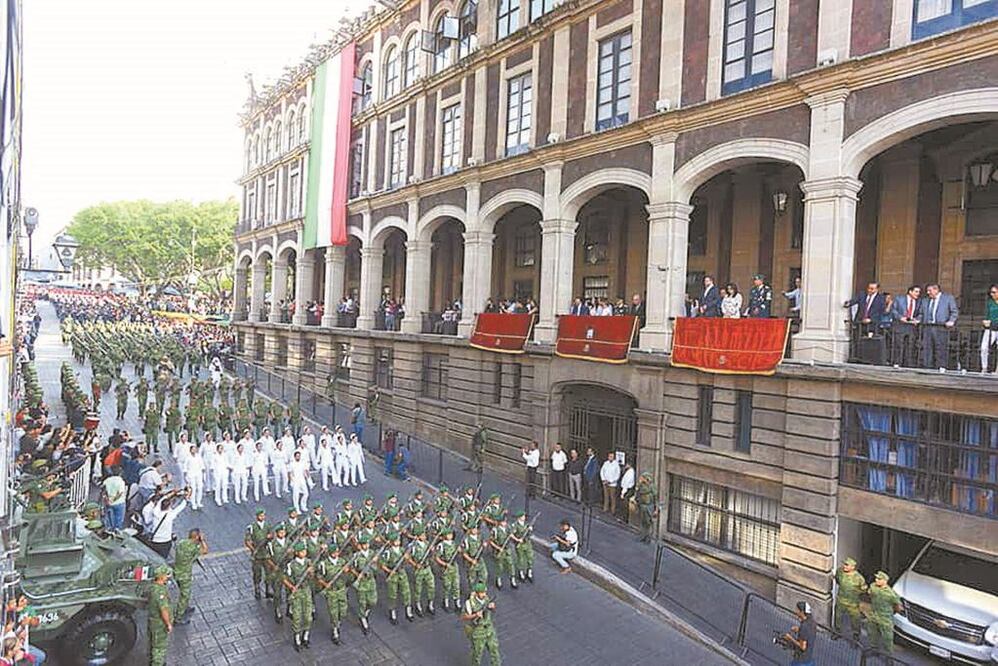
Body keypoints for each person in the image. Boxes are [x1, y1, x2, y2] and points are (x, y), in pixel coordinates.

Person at [920, 283, 958, 371]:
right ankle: (927, 366)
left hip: (941, 326)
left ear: (936, 290)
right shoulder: (925, 300)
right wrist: (918, 320)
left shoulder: (948, 298)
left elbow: (954, 311)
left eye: (930, 290)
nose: (928, 292)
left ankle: (941, 366)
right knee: (927, 347)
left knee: (941, 347)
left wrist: (951, 321)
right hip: (928, 326)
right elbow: (921, 314)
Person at [173, 528, 208, 625]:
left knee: (183, 592)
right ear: (197, 536)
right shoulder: (193, 548)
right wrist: (202, 541)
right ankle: (178, 618)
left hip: (177, 572)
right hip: (184, 575)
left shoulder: (181, 543)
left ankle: (185, 607)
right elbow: (205, 550)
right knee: (184, 596)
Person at [317, 541, 349, 644]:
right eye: (334, 552)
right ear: (330, 553)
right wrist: (325, 584)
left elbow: (347, 571)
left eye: (337, 552)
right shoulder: (324, 564)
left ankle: (338, 623)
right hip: (331, 591)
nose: (336, 553)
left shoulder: (342, 561)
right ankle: (335, 630)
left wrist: (346, 570)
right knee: (333, 612)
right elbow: (319, 577)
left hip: (341, 589)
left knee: (343, 611)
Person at [284, 541, 314, 651]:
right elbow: (285, 579)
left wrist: (311, 572)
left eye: (305, 550)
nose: (304, 552)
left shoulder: (308, 562)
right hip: (297, 593)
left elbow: (312, 577)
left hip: (306, 591)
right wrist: (291, 587)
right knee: (297, 617)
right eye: (302, 551)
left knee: (308, 616)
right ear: (297, 553)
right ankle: (297, 638)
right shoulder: (291, 565)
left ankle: (305, 636)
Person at [462, 582, 501, 666]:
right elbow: (464, 617)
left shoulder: (486, 599)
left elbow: (492, 611)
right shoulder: (470, 603)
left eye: (485, 592)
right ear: (476, 593)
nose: (484, 594)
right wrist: (475, 615)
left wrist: (492, 607)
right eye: (482, 592)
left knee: (494, 651)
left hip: (489, 629)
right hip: (478, 632)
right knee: (477, 654)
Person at [147, 490, 189, 558]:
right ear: (169, 506)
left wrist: (169, 495)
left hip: (154, 540)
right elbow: (179, 508)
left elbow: (161, 500)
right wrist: (186, 499)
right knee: (162, 558)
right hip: (165, 541)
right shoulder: (170, 515)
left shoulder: (155, 511)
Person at [867, 571, 902, 654]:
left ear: (885, 581)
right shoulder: (873, 586)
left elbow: (898, 607)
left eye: (879, 579)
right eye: (876, 578)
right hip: (874, 614)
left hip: (885, 618)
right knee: (872, 634)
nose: (876, 580)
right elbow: (869, 594)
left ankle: (889, 655)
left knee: (887, 638)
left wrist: (891, 612)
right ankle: (873, 649)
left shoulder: (890, 593)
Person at [146, 565, 174, 666]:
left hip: (152, 620)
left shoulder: (153, 586)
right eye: (166, 575)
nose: (168, 576)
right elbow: (164, 610)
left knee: (153, 642)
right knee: (159, 647)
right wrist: (168, 624)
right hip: (159, 624)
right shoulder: (160, 592)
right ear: (161, 577)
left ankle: (153, 660)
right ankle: (157, 663)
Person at [833, 557, 866, 640]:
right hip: (841, 599)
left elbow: (864, 588)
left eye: (847, 565)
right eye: (844, 564)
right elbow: (837, 580)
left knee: (855, 619)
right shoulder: (840, 572)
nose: (844, 566)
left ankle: (856, 635)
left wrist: (857, 592)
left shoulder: (858, 577)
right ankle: (837, 632)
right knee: (838, 617)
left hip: (852, 603)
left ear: (852, 567)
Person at [890, 285, 922, 368]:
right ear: (910, 291)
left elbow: (921, 313)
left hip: (911, 326)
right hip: (900, 325)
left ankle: (907, 364)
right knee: (898, 344)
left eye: (918, 292)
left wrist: (917, 319)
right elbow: (893, 310)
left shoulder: (919, 302)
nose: (918, 294)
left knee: (910, 345)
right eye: (916, 291)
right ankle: (897, 362)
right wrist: (900, 317)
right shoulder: (899, 299)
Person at [244, 508, 271, 599]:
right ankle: (257, 590)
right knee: (257, 573)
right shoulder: (252, 527)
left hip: (266, 554)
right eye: (260, 516)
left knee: (268, 573)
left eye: (263, 515)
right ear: (257, 517)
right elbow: (247, 541)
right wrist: (253, 549)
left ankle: (268, 590)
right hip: (257, 556)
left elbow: (272, 537)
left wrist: (270, 537)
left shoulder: (267, 525)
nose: (262, 517)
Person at [435, 528, 461, 613]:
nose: (450, 536)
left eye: (451, 534)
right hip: (446, 567)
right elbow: (437, 558)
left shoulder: (453, 543)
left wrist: (459, 551)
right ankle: (445, 602)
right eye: (448, 534)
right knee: (447, 586)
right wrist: (444, 564)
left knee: (456, 584)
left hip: (454, 566)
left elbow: (457, 553)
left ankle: (457, 602)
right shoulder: (441, 545)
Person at [781, 601, 815, 666]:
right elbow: (809, 633)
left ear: (802, 612)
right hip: (809, 658)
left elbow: (803, 647)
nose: (796, 612)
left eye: (797, 610)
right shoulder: (812, 623)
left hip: (801, 661)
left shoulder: (804, 626)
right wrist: (799, 630)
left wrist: (790, 638)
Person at [634, 473, 659, 542]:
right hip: (642, 506)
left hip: (649, 506)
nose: (641, 479)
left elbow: (656, 499)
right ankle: (643, 536)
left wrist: (656, 510)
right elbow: (637, 496)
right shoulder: (640, 486)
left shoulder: (651, 487)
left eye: (642, 477)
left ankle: (649, 537)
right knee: (643, 521)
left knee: (649, 522)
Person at [101, 465, 127, 530]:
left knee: (109, 519)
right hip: (119, 502)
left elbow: (103, 491)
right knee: (118, 520)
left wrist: (106, 499)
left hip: (108, 502)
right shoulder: (121, 481)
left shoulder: (107, 480)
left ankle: (109, 530)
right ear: (120, 473)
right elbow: (120, 493)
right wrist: (113, 500)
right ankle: (116, 532)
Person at [980, 283, 998, 374]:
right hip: (990, 328)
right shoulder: (990, 302)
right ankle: (984, 367)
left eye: (994, 292)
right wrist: (985, 321)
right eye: (991, 292)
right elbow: (987, 314)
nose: (992, 294)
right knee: (984, 347)